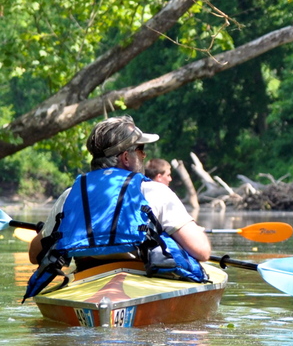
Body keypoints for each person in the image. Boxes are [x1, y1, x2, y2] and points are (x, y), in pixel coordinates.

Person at [24, 116, 213, 299]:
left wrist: (46, 231)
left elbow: (34, 255)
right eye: (140, 149)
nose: (144, 155)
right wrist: (191, 231)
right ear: (125, 157)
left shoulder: (69, 195)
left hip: (86, 282)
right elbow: (202, 252)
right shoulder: (154, 192)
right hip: (142, 282)